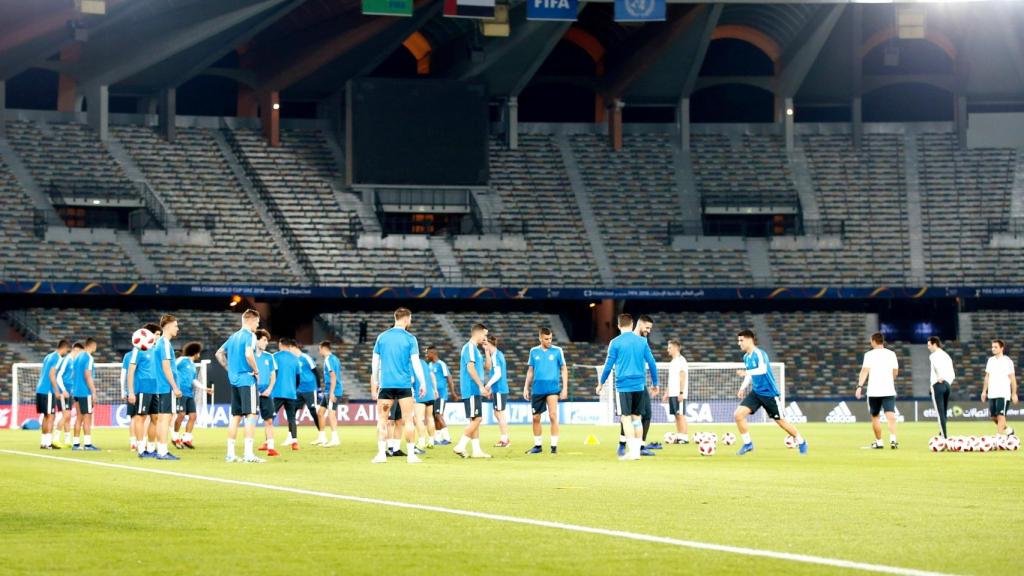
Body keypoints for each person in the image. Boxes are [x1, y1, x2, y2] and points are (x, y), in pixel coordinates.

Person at [734, 329, 807, 456]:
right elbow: (750, 374)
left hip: (769, 394)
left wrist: (747, 372)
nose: (739, 343)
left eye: (741, 340)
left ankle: (801, 441)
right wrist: (742, 387)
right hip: (756, 393)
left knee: (781, 423)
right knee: (738, 415)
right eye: (738, 341)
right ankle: (748, 444)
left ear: (749, 340)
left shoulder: (760, 354)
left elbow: (761, 369)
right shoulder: (746, 357)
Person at [370, 307, 428, 464]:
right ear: (406, 319)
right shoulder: (410, 338)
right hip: (403, 385)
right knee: (408, 419)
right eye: (410, 319)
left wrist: (375, 381)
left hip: (386, 385)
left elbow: (375, 362)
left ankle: (381, 455)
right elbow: (416, 363)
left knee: (382, 420)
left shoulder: (382, 337)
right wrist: (422, 382)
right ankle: (411, 455)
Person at [598, 314, 658, 461]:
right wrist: (655, 383)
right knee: (637, 418)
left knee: (626, 418)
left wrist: (601, 383)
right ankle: (637, 452)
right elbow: (652, 363)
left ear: (618, 326)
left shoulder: (615, 342)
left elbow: (608, 365)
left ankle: (631, 452)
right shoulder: (642, 341)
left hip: (623, 386)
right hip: (639, 385)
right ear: (632, 325)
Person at [216, 308, 264, 463]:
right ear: (250, 320)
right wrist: (256, 370)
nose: (257, 325)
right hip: (247, 380)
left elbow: (219, 353)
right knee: (251, 415)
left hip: (234, 380)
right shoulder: (250, 336)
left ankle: (230, 453)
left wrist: (229, 368)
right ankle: (248, 454)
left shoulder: (233, 336)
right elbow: (249, 354)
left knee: (235, 417)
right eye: (257, 322)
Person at [523, 328, 567, 454]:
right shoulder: (533, 351)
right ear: (540, 338)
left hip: (552, 389)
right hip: (537, 389)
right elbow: (530, 371)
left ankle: (554, 447)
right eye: (546, 339)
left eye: (551, 338)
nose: (549, 341)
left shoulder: (558, 351)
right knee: (536, 417)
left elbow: (564, 369)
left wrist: (565, 388)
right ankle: (538, 446)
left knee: (553, 415)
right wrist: (526, 387)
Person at [453, 323, 491, 459]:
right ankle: (460, 445)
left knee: (474, 419)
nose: (485, 338)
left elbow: (488, 367)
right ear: (478, 333)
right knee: (478, 419)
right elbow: (470, 368)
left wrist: (487, 350)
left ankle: (476, 450)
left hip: (474, 389)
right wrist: (481, 386)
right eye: (485, 335)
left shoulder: (476, 350)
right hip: (471, 389)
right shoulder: (469, 348)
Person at [856, 332, 900, 450]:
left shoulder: (869, 355)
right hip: (888, 390)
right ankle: (893, 439)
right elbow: (895, 371)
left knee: (875, 417)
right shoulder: (891, 354)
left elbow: (864, 371)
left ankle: (879, 442)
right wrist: (890, 380)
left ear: (874, 341)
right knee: (890, 414)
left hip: (874, 391)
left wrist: (859, 386)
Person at [151, 315, 183, 460]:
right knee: (165, 419)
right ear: (168, 326)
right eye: (175, 325)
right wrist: (175, 387)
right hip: (167, 386)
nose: (177, 328)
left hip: (163, 386)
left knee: (163, 418)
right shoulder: (164, 343)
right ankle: (162, 451)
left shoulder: (162, 343)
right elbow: (166, 367)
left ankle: (161, 450)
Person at [128, 323, 161, 458]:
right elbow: (130, 372)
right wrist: (130, 391)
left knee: (155, 418)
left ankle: (151, 448)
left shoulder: (156, 350)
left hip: (155, 389)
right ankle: (141, 449)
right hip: (142, 389)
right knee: (140, 418)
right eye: (157, 334)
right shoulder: (138, 350)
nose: (159, 337)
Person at [35, 340, 69, 449]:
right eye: (67, 350)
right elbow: (51, 375)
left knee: (46, 416)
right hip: (48, 391)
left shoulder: (48, 356)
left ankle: (44, 442)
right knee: (50, 417)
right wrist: (57, 391)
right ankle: (48, 443)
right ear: (64, 348)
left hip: (40, 389)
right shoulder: (58, 358)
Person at [982, 339, 1018, 437]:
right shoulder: (990, 360)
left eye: (995, 347)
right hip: (992, 393)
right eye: (992, 347)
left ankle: (998, 437)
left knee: (1000, 416)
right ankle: (1008, 430)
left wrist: (1014, 393)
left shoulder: (1008, 361)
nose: (993, 349)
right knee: (993, 417)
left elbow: (1013, 378)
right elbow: (987, 377)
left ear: (1002, 348)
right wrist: (984, 391)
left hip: (1003, 393)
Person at [253, 329, 279, 456]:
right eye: (264, 340)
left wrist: (269, 389)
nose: (266, 343)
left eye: (267, 341)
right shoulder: (249, 355)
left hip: (266, 393)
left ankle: (271, 447)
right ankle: (248, 449)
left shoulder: (269, 357)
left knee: (269, 420)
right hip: (252, 392)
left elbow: (273, 376)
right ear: (256, 340)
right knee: (250, 420)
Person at [272, 338, 301, 451]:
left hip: (278, 392)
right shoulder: (295, 359)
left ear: (280, 345)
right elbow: (298, 377)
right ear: (289, 346)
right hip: (291, 393)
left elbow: (272, 373)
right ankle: (294, 442)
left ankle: (268, 442)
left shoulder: (275, 357)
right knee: (292, 418)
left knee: (270, 417)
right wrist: (294, 388)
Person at [172, 341, 203, 449]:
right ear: (195, 352)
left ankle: (186, 438)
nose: (199, 354)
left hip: (189, 393)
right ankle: (175, 436)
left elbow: (193, 380)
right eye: (198, 352)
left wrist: (204, 388)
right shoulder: (182, 360)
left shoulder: (193, 366)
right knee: (181, 414)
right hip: (180, 392)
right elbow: (172, 368)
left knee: (193, 416)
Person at [71, 338, 99, 451]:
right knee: (87, 418)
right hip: (85, 392)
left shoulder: (77, 357)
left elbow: (74, 374)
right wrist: (93, 391)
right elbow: (87, 375)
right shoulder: (88, 357)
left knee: (79, 418)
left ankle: (76, 444)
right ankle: (87, 444)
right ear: (92, 345)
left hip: (76, 391)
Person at [485, 335, 511, 448]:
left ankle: (505, 440)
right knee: (498, 413)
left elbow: (498, 374)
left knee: (499, 414)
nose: (483, 345)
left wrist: (488, 385)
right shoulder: (497, 354)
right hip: (498, 389)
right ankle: (505, 438)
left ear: (488, 344)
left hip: (500, 389)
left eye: (484, 343)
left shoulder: (495, 356)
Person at [926, 336, 955, 439]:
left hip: (938, 385)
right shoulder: (946, 355)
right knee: (944, 412)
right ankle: (942, 434)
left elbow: (936, 366)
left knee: (940, 413)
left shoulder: (933, 356)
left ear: (934, 344)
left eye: (929, 345)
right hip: (947, 385)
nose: (928, 347)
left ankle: (944, 437)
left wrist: (939, 378)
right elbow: (952, 373)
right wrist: (947, 383)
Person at [295, 345, 323, 445]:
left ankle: (321, 435)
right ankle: (292, 437)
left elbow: (316, 372)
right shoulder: (293, 359)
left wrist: (319, 388)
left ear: (294, 347)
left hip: (310, 389)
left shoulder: (306, 358)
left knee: (313, 411)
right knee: (292, 411)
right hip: (298, 390)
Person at [426, 346, 455, 445]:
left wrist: (453, 393)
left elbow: (449, 379)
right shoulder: (429, 365)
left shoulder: (441, 364)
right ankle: (437, 438)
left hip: (441, 395)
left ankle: (447, 437)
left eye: (428, 353)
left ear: (433, 354)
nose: (426, 355)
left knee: (438, 415)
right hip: (432, 395)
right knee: (435, 416)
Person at [317, 340, 342, 448]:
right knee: (320, 413)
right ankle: (322, 437)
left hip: (333, 391)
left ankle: (335, 439)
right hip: (328, 390)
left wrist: (332, 393)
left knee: (331, 415)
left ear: (323, 349)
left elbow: (333, 376)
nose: (319, 352)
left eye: (319, 349)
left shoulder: (328, 360)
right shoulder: (335, 358)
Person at [664, 339, 689, 444]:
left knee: (680, 415)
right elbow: (672, 379)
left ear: (675, 348)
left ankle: (684, 437)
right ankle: (679, 436)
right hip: (673, 393)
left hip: (679, 393)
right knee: (676, 415)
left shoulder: (681, 360)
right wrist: (667, 392)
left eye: (669, 348)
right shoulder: (673, 362)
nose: (667, 350)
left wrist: (681, 392)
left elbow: (682, 376)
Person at [413, 352, 438, 450]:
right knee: (430, 418)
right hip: (430, 393)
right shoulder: (423, 362)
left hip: (420, 393)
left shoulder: (410, 363)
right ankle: (431, 441)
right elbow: (432, 375)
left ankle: (421, 441)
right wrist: (435, 389)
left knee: (419, 418)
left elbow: (411, 379)